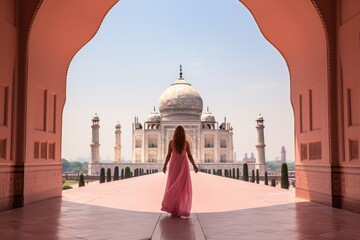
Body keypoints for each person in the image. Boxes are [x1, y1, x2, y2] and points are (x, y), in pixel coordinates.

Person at [161, 126, 198, 217]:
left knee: (173, 185)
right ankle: (178, 209)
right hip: (183, 166)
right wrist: (194, 165)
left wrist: (165, 165)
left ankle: (173, 208)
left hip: (173, 166)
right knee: (181, 188)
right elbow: (189, 155)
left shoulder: (171, 143)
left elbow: (168, 155)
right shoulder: (186, 143)